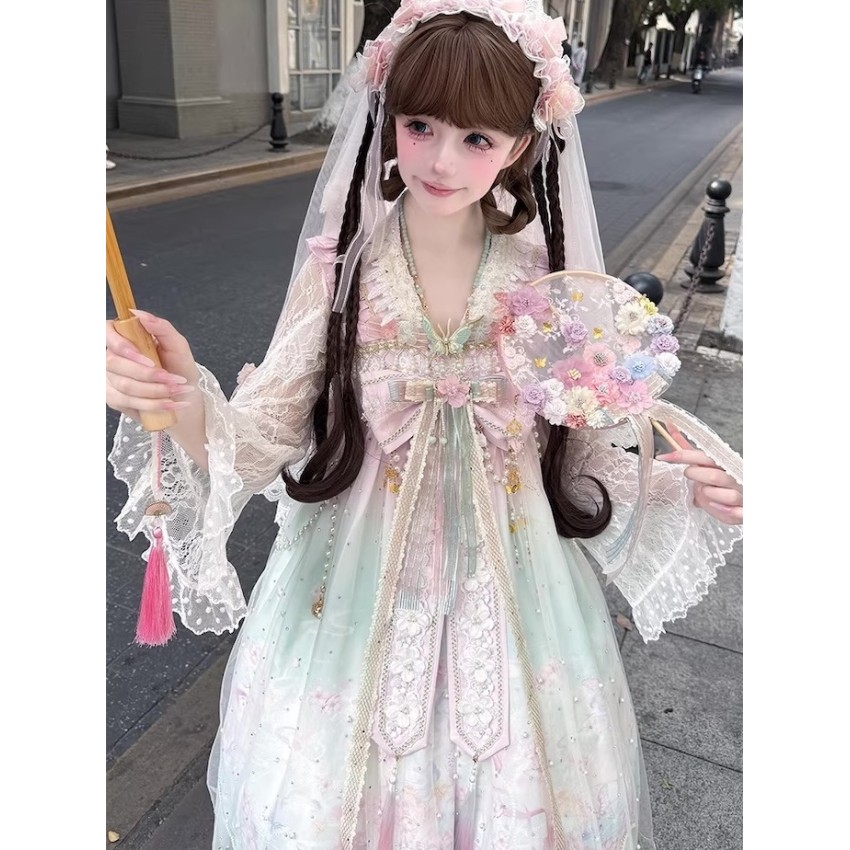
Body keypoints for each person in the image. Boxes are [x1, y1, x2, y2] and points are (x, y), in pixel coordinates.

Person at [106, 2, 743, 848]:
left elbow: (583, 457)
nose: (442, 160)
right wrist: (181, 390)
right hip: (348, 591)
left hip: (517, 596)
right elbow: (261, 439)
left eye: (477, 138)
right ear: (389, 118)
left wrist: (680, 487)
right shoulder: (344, 270)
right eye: (420, 126)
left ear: (521, 144)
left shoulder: (548, 277)